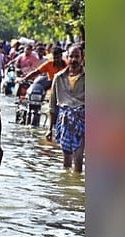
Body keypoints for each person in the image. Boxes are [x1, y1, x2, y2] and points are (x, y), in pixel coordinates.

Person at [47, 45, 85, 173]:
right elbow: (52, 105)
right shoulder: (58, 77)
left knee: (78, 157)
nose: (74, 59)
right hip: (64, 119)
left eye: (77, 56)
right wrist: (49, 129)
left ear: (82, 58)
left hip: (82, 118)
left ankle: (76, 184)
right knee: (66, 157)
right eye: (71, 56)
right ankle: (66, 186)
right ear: (67, 58)